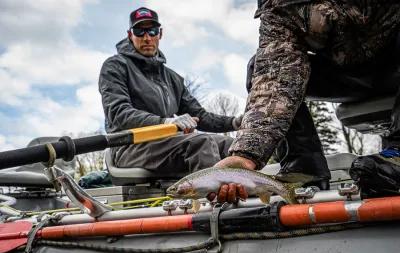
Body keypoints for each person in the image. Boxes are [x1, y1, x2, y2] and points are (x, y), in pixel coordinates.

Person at [214, 0, 400, 202]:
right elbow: (276, 75)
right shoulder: (279, 8)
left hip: (392, 55)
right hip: (351, 73)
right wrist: (246, 154)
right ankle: (304, 171)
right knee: (259, 66)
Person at [99, 7, 242, 174]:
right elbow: (118, 113)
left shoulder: (172, 78)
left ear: (160, 34)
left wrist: (235, 123)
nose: (147, 38)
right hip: (130, 147)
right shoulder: (115, 66)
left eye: (152, 31)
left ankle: (252, 195)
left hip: (167, 142)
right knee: (200, 142)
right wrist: (166, 122)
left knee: (231, 146)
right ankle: (213, 198)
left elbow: (200, 116)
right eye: (139, 31)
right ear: (130, 35)